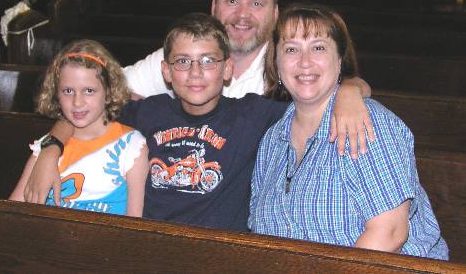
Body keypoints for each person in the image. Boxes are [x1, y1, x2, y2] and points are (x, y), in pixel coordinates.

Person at [21, 13, 369, 231]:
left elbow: (326, 97)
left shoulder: (252, 113)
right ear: (166, 72)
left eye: (208, 61)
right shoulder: (147, 112)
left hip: (218, 254)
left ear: (228, 68)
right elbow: (80, 112)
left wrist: (350, 91)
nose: (196, 73)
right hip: (150, 245)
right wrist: (51, 148)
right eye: (183, 62)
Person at [248, 3, 448, 259]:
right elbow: (260, 235)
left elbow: (389, 234)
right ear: (276, 63)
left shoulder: (367, 122)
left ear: (340, 61)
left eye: (318, 47)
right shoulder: (272, 141)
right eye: (291, 49)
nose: (304, 62)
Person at [122, 0, 374, 157]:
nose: (242, 15)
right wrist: (147, 111)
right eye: (232, 1)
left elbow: (334, 82)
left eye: (256, 4)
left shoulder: (287, 64)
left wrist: (350, 90)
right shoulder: (187, 57)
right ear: (213, 7)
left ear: (275, 14)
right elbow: (107, 83)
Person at [9, 40, 149, 217]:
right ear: (55, 94)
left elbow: (135, 223)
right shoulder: (47, 145)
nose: (77, 102)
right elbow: (12, 211)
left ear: (108, 91)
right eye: (68, 91)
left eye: (89, 91)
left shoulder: (132, 147)